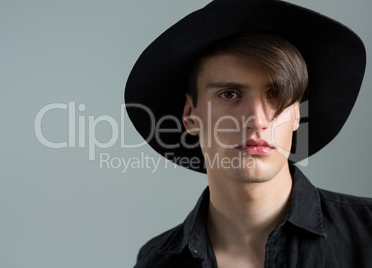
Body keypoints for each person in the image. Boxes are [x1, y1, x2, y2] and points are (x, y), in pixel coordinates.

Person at [125, 0, 372, 267]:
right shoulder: (156, 262)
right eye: (229, 94)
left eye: (276, 94)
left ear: (297, 115)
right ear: (189, 115)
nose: (257, 121)